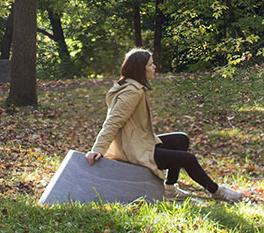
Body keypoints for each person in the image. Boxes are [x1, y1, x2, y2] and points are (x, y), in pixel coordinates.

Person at [86, 48, 243, 202]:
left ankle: (169, 188)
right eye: (150, 65)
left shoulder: (130, 85)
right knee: (188, 159)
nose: (154, 67)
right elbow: (113, 122)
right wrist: (97, 149)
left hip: (138, 142)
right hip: (133, 150)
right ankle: (217, 191)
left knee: (181, 140)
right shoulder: (132, 92)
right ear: (140, 69)